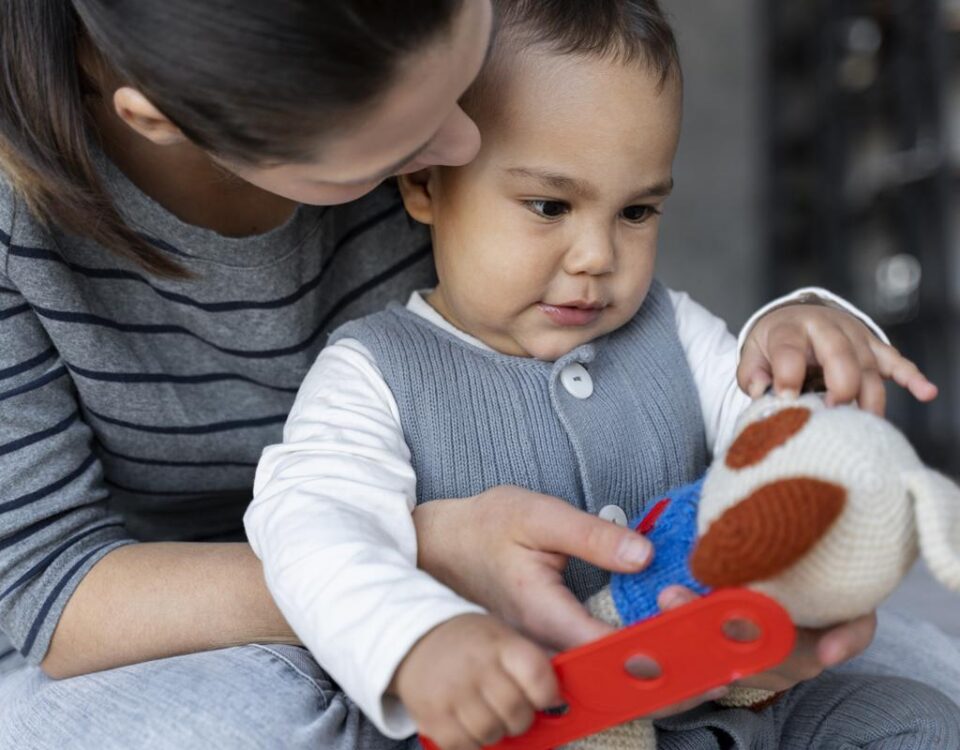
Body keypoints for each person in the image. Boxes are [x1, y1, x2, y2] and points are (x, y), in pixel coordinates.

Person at [0, 1, 950, 748]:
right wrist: (416, 604)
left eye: (637, 213)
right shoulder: (372, 369)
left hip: (673, 666)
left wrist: (804, 333)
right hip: (230, 614)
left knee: (919, 693)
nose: (465, 139)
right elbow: (63, 581)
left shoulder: (632, 299)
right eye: (542, 202)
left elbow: (764, 417)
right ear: (168, 121)